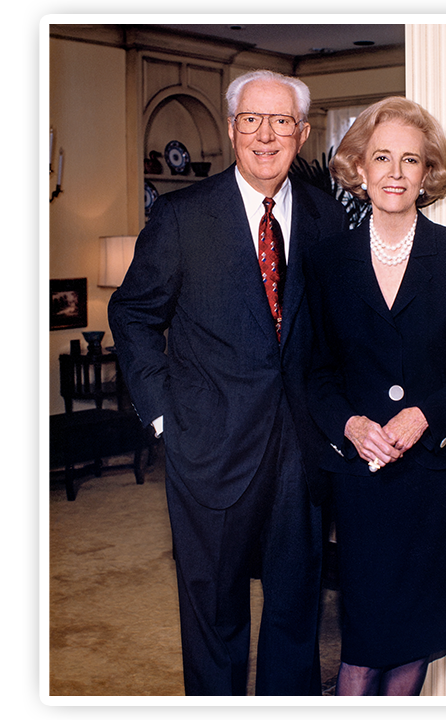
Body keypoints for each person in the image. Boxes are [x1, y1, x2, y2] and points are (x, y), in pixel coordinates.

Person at [108, 70, 348, 695]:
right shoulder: (185, 216)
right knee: (214, 613)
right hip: (207, 446)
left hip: (302, 449)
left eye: (280, 122)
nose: (265, 136)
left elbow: (340, 331)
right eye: (250, 121)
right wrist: (164, 416)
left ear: (302, 131)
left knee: (296, 611)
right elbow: (133, 313)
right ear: (233, 128)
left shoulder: (328, 218)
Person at [303, 96, 446, 696]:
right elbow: (313, 373)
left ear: (427, 173)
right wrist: (351, 425)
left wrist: (423, 414)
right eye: (381, 157)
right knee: (362, 649)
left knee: (415, 642)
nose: (394, 171)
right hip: (365, 478)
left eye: (409, 160)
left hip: (438, 476)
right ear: (358, 168)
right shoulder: (325, 261)